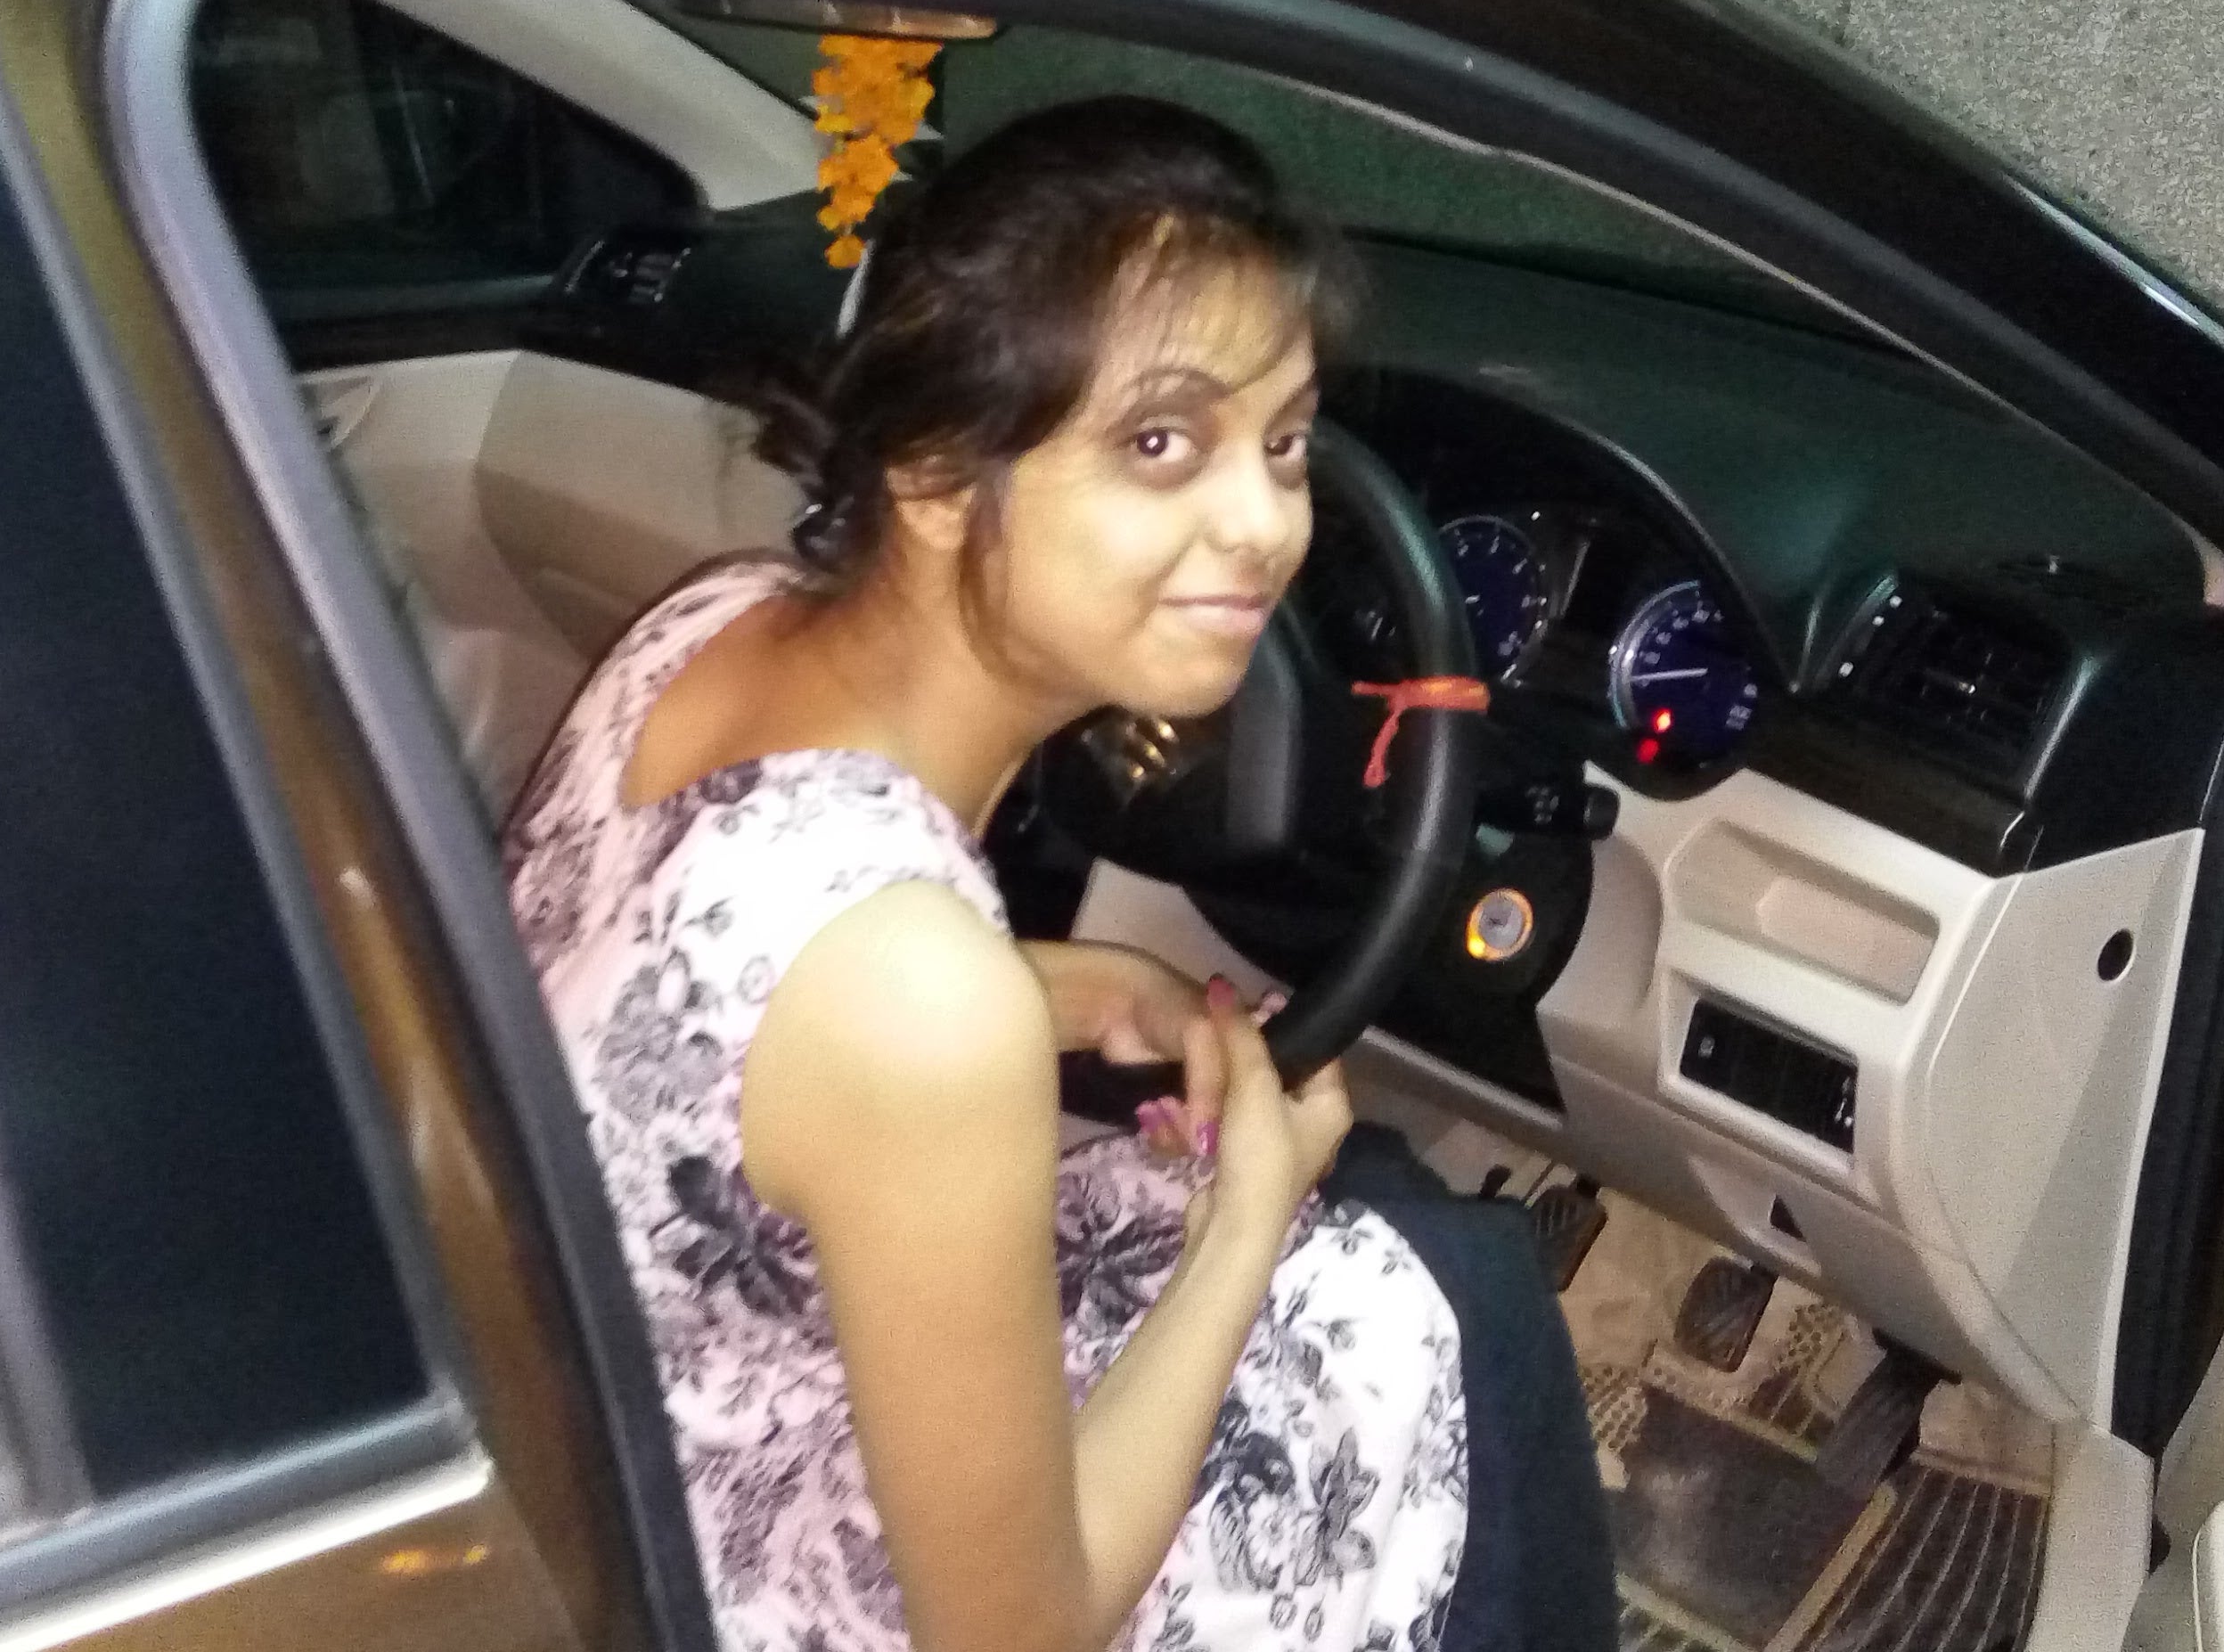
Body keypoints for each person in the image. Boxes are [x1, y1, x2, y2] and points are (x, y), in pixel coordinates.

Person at [504, 97, 1606, 1652]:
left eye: (1283, 441)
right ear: (943, 473)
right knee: (1455, 1292)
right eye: (1161, 443)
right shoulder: (911, 991)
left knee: (1389, 1223)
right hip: (765, 1576)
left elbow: (703, 1013)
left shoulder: (715, 619)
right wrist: (1246, 1221)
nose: (1264, 525)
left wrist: (1089, 985)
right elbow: (1017, 1634)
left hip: (619, 1447)